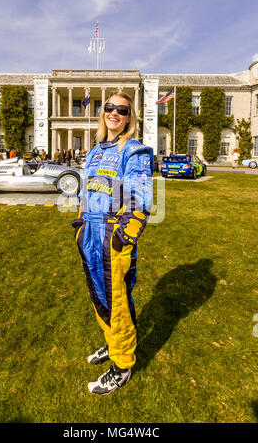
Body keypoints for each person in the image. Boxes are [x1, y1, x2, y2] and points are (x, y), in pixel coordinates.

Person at [72, 91, 153, 395]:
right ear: (102, 112)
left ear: (130, 117)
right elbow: (84, 192)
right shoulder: (93, 152)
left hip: (112, 236)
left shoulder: (134, 151)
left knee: (116, 301)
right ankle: (112, 343)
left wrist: (122, 239)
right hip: (90, 234)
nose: (114, 113)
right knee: (100, 297)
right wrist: (81, 226)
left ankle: (122, 366)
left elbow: (139, 201)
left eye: (122, 109)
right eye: (110, 107)